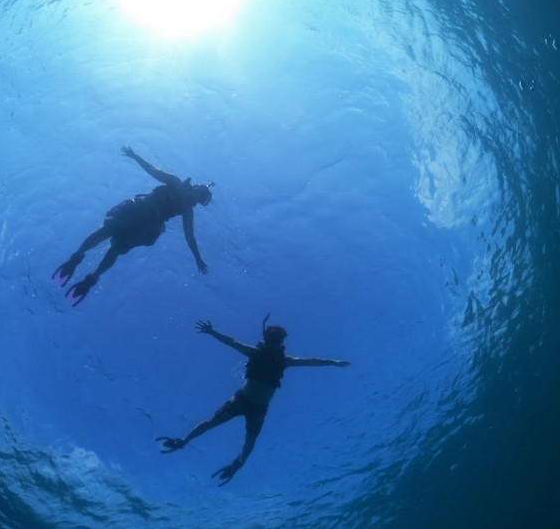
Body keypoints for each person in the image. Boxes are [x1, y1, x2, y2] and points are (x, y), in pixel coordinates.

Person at [156, 314, 351, 486]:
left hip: (258, 408)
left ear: (279, 344)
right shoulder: (257, 353)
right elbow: (231, 341)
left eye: (276, 340)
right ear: (268, 340)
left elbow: (311, 361)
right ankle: (184, 440)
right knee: (214, 422)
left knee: (249, 441)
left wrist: (333, 362)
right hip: (242, 399)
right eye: (271, 339)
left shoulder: (284, 361)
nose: (273, 343)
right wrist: (212, 331)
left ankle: (238, 464)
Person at [52, 146, 214, 306]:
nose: (199, 197)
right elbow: (152, 170)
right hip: (139, 213)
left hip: (147, 227)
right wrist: (136, 156)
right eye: (201, 193)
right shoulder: (175, 183)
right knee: (106, 231)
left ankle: (93, 277)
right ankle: (77, 257)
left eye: (201, 198)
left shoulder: (187, 209)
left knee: (116, 249)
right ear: (197, 186)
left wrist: (197, 258)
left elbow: (189, 236)